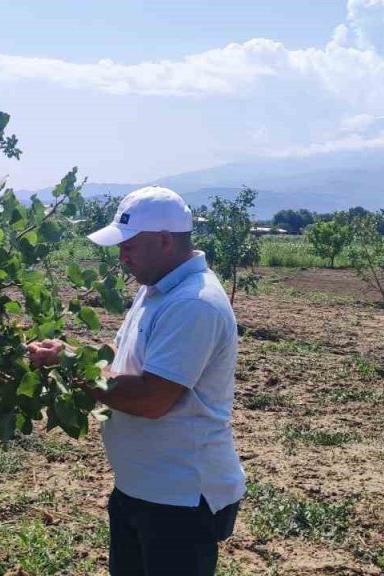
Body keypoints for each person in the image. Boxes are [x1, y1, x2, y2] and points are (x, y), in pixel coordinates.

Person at [28, 186, 244, 576]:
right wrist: (68, 352)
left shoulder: (192, 304)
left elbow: (152, 399)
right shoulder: (155, 289)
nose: (121, 255)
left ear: (164, 241)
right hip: (141, 487)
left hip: (180, 499)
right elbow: (121, 355)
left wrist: (72, 367)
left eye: (129, 245)